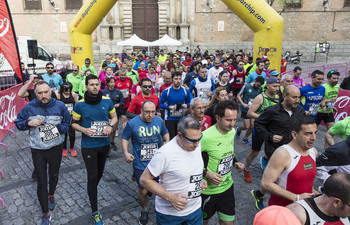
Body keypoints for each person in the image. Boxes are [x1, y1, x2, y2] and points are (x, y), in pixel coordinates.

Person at [15, 81, 70, 225]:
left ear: (51, 91)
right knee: (41, 181)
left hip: (55, 148)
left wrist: (57, 129)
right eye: (39, 93)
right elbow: (18, 122)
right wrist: (28, 123)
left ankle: (51, 194)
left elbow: (67, 123)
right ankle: (45, 212)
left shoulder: (60, 106)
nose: (43, 95)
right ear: (35, 93)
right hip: (38, 150)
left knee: (54, 176)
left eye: (46, 92)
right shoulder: (30, 107)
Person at [140, 116, 207, 225]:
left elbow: (192, 166)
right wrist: (171, 197)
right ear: (179, 135)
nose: (197, 144)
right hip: (170, 215)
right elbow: (144, 180)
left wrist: (199, 178)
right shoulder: (165, 153)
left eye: (199, 138)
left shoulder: (195, 144)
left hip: (195, 210)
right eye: (192, 140)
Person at [71, 75, 118, 225]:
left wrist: (110, 126)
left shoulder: (107, 101)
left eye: (97, 84)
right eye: (91, 85)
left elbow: (114, 117)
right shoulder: (80, 105)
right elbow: (74, 124)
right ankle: (95, 211)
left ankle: (92, 190)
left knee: (98, 175)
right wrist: (84, 130)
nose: (95, 87)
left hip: (104, 145)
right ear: (86, 86)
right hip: (88, 147)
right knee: (92, 177)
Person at [251, 86, 306, 210]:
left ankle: (259, 194)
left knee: (280, 178)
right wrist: (270, 136)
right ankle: (276, 208)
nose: (297, 100)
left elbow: (301, 127)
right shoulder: (272, 110)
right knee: (278, 181)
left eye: (298, 97)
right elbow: (258, 124)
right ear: (285, 96)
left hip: (293, 150)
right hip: (275, 150)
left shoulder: (300, 111)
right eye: (294, 97)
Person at [122, 101, 169, 225]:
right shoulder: (132, 123)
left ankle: (163, 209)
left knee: (160, 186)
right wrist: (126, 152)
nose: (150, 115)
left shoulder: (158, 121)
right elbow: (125, 138)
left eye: (153, 112)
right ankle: (144, 210)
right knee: (143, 189)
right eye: (147, 112)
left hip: (158, 161)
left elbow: (165, 133)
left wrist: (166, 142)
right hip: (140, 163)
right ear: (141, 111)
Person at [259, 115, 318, 208]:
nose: (313, 137)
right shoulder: (282, 154)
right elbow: (266, 183)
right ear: (294, 134)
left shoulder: (313, 152)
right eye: (308, 133)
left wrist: (312, 190)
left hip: (303, 209)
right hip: (282, 209)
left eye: (315, 133)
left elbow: (306, 179)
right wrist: (296, 197)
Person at [201, 100, 245, 225]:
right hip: (207, 192)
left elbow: (228, 151)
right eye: (228, 120)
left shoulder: (232, 131)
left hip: (227, 188)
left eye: (235, 120)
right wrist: (207, 173)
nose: (232, 124)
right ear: (217, 117)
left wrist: (235, 162)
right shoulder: (205, 137)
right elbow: (189, 160)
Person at [244, 77, 280, 183]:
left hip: (272, 129)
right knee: (255, 152)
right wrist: (264, 118)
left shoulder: (278, 97)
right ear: (267, 86)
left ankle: (268, 167)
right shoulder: (260, 98)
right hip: (259, 128)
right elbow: (250, 113)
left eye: (278, 86)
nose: (277, 89)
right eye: (274, 86)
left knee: (274, 152)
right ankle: (246, 169)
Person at [160, 71, 192, 139]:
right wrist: (168, 107)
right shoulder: (166, 91)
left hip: (180, 119)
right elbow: (160, 104)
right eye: (176, 79)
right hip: (169, 119)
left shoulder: (185, 91)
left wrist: (186, 105)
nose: (178, 81)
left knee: (180, 138)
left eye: (179, 79)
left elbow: (189, 102)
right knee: (171, 139)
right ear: (172, 80)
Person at [236, 76, 264, 146]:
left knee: (252, 126)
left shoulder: (260, 88)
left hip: (254, 109)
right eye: (257, 85)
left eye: (259, 86)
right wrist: (243, 104)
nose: (258, 87)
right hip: (245, 108)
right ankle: (239, 129)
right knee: (247, 126)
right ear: (255, 81)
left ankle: (245, 138)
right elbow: (238, 95)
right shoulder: (246, 86)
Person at [102, 77, 125, 148]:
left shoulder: (118, 91)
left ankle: (112, 142)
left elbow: (123, 102)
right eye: (111, 82)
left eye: (113, 82)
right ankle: (107, 144)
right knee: (109, 129)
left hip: (116, 113)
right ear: (108, 83)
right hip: (107, 113)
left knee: (114, 129)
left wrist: (118, 104)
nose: (112, 84)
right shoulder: (104, 92)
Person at [56, 82, 78, 157]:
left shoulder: (73, 94)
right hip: (63, 118)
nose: (68, 92)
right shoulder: (58, 95)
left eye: (69, 90)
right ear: (63, 89)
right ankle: (64, 148)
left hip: (71, 117)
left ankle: (72, 148)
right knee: (64, 134)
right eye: (66, 90)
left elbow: (77, 104)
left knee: (72, 134)